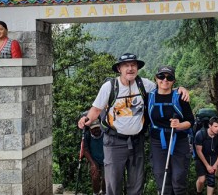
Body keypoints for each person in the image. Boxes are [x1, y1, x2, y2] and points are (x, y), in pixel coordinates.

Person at [78, 53, 189, 195]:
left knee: (136, 186)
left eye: (133, 65)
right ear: (119, 68)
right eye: (126, 65)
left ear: (137, 68)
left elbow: (164, 87)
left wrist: (179, 89)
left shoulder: (144, 84)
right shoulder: (110, 87)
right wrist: (85, 120)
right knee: (113, 185)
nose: (130, 68)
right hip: (114, 142)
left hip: (137, 141)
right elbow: (96, 109)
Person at [148, 65, 194, 195]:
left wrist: (180, 125)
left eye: (169, 77)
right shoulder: (149, 97)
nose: (165, 80)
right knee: (161, 178)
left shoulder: (180, 97)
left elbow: (191, 121)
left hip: (178, 141)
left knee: (179, 178)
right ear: (156, 78)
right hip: (158, 142)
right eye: (161, 76)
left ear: (174, 81)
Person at [195, 116, 218, 195]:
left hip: (213, 157)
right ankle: (198, 192)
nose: (217, 128)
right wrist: (207, 166)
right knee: (202, 180)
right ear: (210, 125)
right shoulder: (200, 134)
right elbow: (198, 151)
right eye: (215, 126)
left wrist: (216, 164)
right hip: (201, 158)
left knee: (211, 180)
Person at [84, 118, 106, 195]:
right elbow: (85, 150)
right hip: (94, 159)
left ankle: (104, 192)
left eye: (97, 128)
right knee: (95, 176)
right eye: (94, 129)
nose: (96, 130)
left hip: (106, 158)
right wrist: (92, 164)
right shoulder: (87, 135)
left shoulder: (105, 133)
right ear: (90, 129)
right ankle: (95, 193)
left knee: (106, 178)